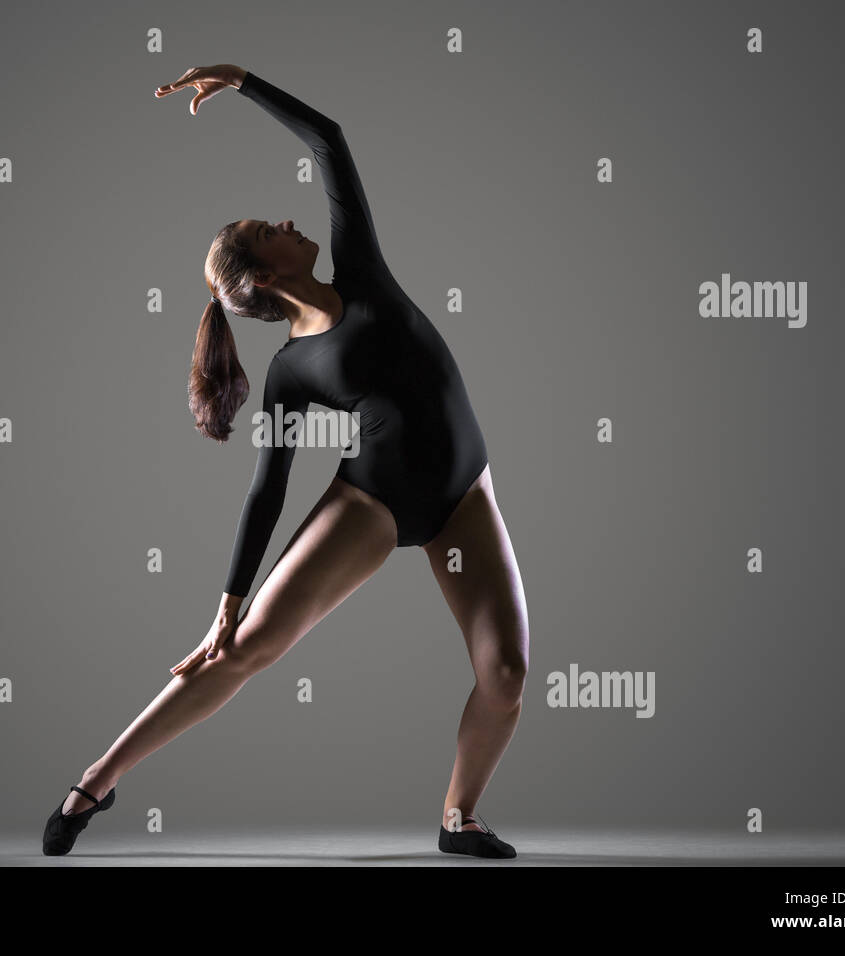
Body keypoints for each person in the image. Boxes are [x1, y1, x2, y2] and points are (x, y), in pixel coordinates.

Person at [43, 64, 530, 859]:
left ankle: (457, 819)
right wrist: (228, 602)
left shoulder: (361, 270)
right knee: (242, 651)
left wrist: (245, 83)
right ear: (265, 274)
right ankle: (99, 777)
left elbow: (330, 141)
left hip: (462, 495)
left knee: (506, 675)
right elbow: (268, 488)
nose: (286, 219)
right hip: (372, 504)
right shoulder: (290, 373)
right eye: (269, 228)